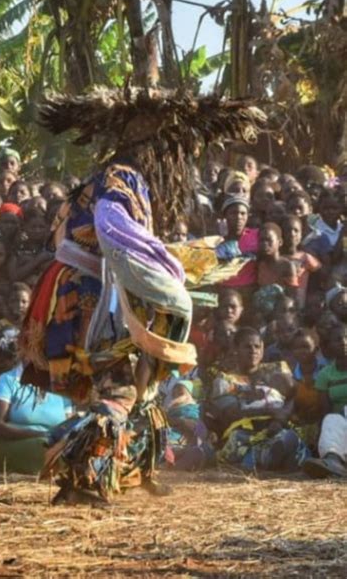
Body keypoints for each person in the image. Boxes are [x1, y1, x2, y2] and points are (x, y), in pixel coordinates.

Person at [19, 89, 262, 503]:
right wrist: (161, 269)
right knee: (120, 389)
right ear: (149, 149)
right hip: (85, 290)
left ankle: (134, 469)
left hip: (82, 282)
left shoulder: (112, 175)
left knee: (141, 380)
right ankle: (81, 477)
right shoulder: (122, 176)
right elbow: (110, 222)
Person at [208, 327, 308, 472]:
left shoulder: (278, 369)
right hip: (244, 433)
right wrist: (270, 411)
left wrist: (280, 418)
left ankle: (261, 460)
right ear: (236, 349)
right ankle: (257, 460)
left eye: (257, 346)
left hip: (278, 427)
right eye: (247, 347)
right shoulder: (225, 380)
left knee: (290, 437)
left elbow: (294, 396)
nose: (253, 350)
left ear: (262, 349)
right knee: (279, 443)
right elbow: (230, 413)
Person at [303, 323, 347, 478]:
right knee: (330, 419)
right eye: (338, 339)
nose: (344, 341)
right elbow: (325, 410)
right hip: (343, 427)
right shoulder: (325, 375)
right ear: (329, 347)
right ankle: (333, 462)